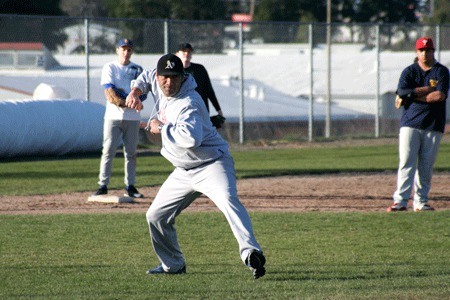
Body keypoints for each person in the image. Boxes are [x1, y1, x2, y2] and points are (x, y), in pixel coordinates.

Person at [126, 53, 266, 279]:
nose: (168, 82)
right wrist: (135, 92)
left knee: (228, 202)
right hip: (183, 171)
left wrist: (159, 127)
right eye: (164, 77)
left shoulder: (189, 102)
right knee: (156, 216)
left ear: (183, 77)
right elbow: (145, 77)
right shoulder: (156, 78)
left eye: (174, 77)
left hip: (212, 165)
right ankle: (173, 265)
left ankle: (251, 253)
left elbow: (191, 139)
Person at [388, 37, 449, 212]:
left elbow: (439, 96)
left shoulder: (441, 72)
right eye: (421, 50)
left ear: (433, 51)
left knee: (426, 166)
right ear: (416, 52)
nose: (425, 53)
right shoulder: (409, 71)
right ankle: (400, 201)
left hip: (433, 124)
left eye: (428, 50)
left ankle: (421, 202)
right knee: (406, 163)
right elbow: (401, 92)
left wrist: (412, 95)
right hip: (410, 123)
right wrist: (428, 89)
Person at [93, 38, 146, 198]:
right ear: (117, 50)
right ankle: (103, 185)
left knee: (131, 152)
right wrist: (129, 101)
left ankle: (130, 185)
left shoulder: (137, 69)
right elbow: (110, 93)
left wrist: (132, 99)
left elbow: (142, 93)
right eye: (123, 49)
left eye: (129, 49)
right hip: (113, 116)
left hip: (132, 118)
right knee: (108, 150)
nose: (126, 52)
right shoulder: (110, 67)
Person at [175, 43, 224, 119]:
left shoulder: (199, 69)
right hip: (181, 110)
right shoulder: (174, 71)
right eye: (184, 51)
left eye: (189, 52)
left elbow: (209, 90)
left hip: (200, 109)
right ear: (177, 54)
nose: (186, 53)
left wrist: (218, 109)